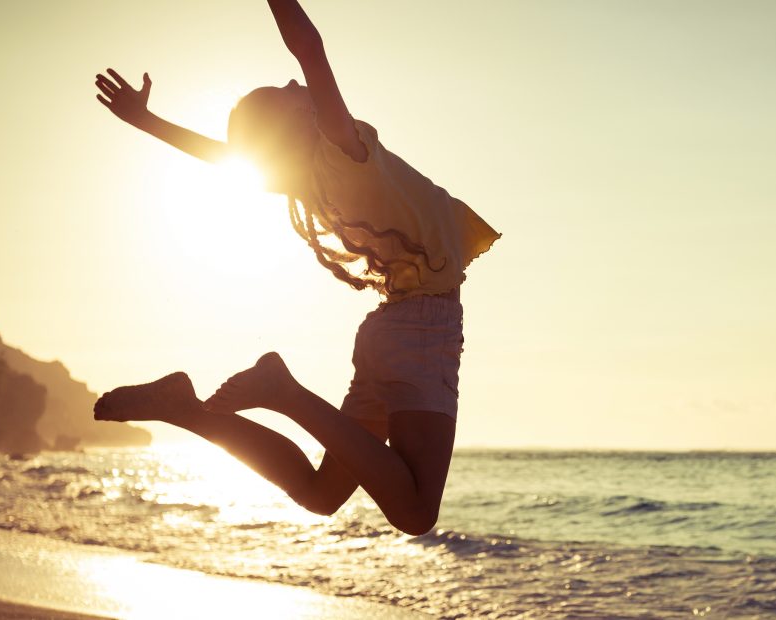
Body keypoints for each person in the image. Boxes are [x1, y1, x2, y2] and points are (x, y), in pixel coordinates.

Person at [90, 0, 499, 536]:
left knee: (320, 494)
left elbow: (226, 157)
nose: (292, 82)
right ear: (298, 122)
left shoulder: (306, 179)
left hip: (394, 331)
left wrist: (146, 120)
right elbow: (309, 48)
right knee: (416, 513)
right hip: (421, 331)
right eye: (284, 92)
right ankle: (285, 392)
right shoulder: (344, 152)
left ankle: (186, 410)